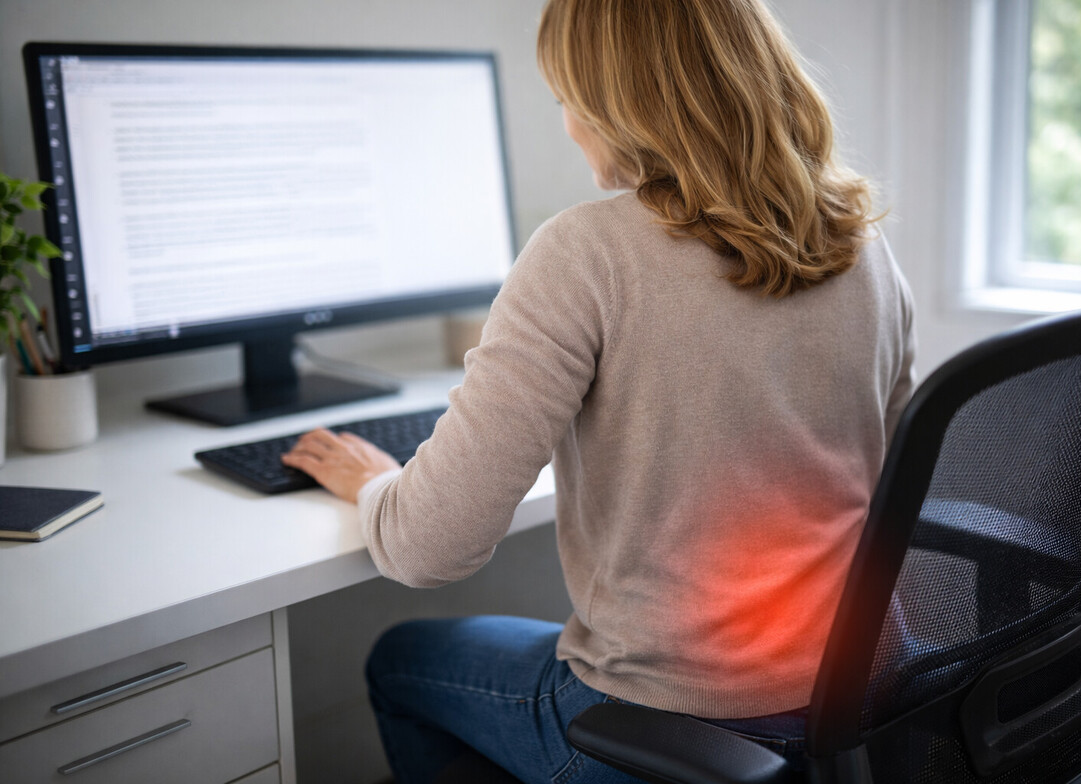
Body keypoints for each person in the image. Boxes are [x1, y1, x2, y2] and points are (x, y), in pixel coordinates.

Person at [281, 0, 916, 781]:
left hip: (665, 724)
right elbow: (892, 481)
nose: (568, 125)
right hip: (862, 707)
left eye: (568, 101)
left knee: (399, 660)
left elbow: (427, 548)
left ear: (621, 109)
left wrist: (376, 482)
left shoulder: (586, 252)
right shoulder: (863, 244)